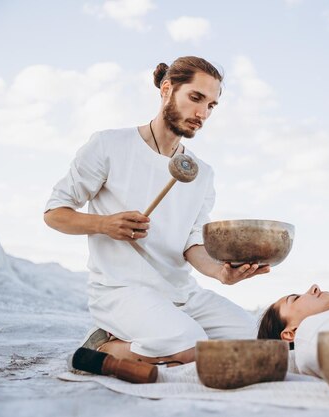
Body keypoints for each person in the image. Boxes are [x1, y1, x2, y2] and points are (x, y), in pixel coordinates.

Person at [45, 56, 269, 366]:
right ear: (167, 89)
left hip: (182, 294)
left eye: (212, 106)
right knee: (192, 345)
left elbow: (192, 244)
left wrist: (221, 272)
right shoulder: (109, 144)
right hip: (121, 291)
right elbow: (55, 212)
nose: (202, 113)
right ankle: (105, 347)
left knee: (256, 341)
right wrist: (104, 224)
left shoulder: (202, 173)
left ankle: (154, 340)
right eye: (196, 98)